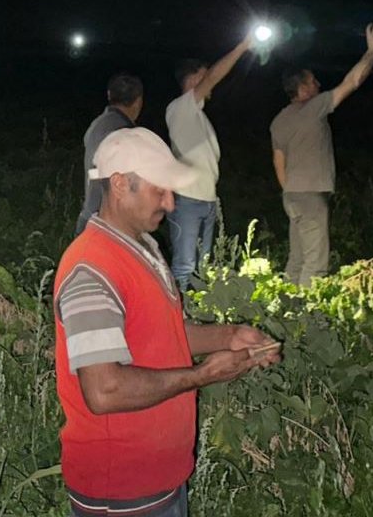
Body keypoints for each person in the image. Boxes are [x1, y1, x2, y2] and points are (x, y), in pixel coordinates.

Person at [54, 127, 282, 516]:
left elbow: (163, 335)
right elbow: (105, 390)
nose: (172, 203)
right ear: (121, 184)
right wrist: (201, 376)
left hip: (160, 478)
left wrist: (229, 337)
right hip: (122, 489)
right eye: (160, 191)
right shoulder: (92, 270)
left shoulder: (142, 248)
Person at [270, 22, 373, 285]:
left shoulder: (278, 120)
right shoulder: (315, 107)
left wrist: (291, 191)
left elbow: (279, 163)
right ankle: (307, 319)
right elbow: (353, 81)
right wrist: (372, 51)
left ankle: (282, 313)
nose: (318, 84)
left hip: (292, 196)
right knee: (315, 264)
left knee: (297, 259)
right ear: (301, 88)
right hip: (310, 196)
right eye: (312, 81)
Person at [164, 34, 255, 291]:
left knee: (203, 268)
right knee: (184, 267)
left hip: (206, 200)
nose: (211, 82)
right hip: (187, 201)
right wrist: (243, 46)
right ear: (194, 79)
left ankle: (198, 317)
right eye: (205, 76)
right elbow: (215, 75)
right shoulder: (180, 108)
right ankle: (178, 320)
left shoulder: (199, 116)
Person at [76, 73, 144, 235]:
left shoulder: (96, 125)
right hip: (111, 227)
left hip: (88, 219)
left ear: (109, 95)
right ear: (139, 101)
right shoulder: (127, 134)